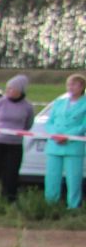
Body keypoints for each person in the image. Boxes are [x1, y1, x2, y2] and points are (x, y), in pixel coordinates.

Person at [0, 75, 35, 203]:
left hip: (14, 144)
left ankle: (9, 199)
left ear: (20, 90)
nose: (9, 91)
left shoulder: (28, 106)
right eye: (8, 88)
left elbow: (28, 124)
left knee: (11, 173)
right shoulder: (0, 102)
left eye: (12, 88)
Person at [44, 73, 86, 209]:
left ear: (81, 87)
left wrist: (67, 136)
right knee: (52, 177)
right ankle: (50, 204)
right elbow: (49, 122)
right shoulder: (59, 102)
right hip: (54, 145)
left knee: (73, 178)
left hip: (73, 145)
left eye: (74, 84)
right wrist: (54, 134)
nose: (71, 87)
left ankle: (73, 206)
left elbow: (83, 125)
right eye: (69, 84)